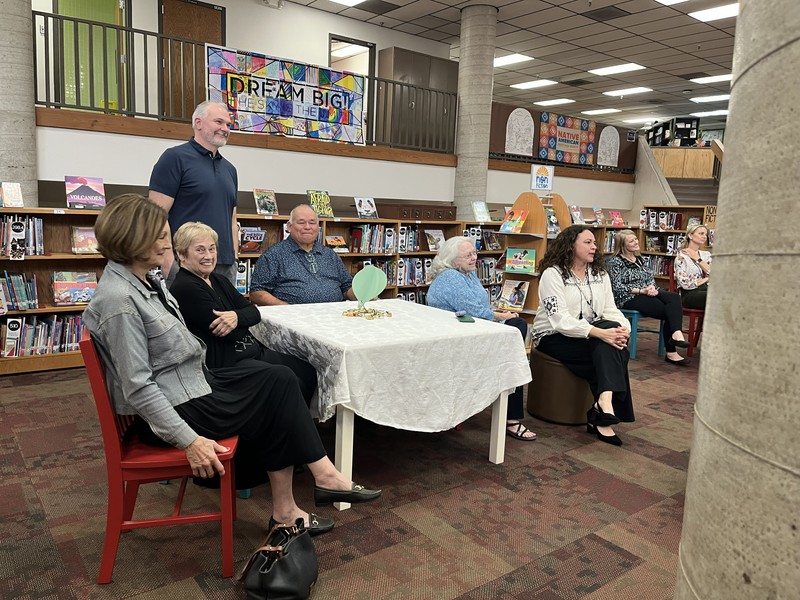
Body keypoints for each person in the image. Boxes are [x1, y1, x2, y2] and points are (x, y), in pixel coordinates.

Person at [83, 194, 381, 537]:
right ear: (134, 239)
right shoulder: (120, 301)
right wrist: (189, 441)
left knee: (281, 378)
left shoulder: (142, 282)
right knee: (277, 390)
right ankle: (307, 494)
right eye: (161, 236)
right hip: (180, 406)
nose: (167, 245)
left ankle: (313, 486)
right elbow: (137, 387)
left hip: (191, 385)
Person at [169, 222, 317, 404]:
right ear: (181, 254)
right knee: (287, 378)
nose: (208, 256)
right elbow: (229, 334)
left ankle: (299, 416)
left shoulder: (218, 279)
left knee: (308, 369)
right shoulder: (185, 287)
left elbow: (254, 313)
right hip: (227, 364)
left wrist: (237, 317)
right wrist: (243, 317)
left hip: (251, 352)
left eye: (212, 249)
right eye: (200, 250)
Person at [426, 236, 536, 441]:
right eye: (467, 255)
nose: (474, 258)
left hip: (472, 332)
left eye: (474, 253)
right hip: (460, 340)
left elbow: (481, 307)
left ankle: (510, 413)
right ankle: (511, 417)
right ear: (452, 259)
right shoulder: (450, 277)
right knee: (515, 342)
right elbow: (474, 311)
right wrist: (502, 316)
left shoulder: (467, 274)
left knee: (513, 345)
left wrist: (499, 314)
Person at [532, 225, 633, 446]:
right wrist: (601, 334)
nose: (594, 247)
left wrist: (623, 329)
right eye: (587, 242)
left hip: (590, 331)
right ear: (570, 245)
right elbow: (559, 319)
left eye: (594, 243)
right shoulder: (553, 274)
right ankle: (601, 411)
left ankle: (604, 402)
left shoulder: (599, 273)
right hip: (553, 335)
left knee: (612, 339)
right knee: (612, 347)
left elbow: (610, 309)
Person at [149, 101, 239, 285]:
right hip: (185, 264)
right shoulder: (174, 158)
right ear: (198, 123)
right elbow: (155, 214)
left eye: (228, 125)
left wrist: (235, 258)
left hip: (224, 266)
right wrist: (168, 260)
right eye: (219, 122)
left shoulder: (230, 169)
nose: (225, 129)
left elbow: (232, 220)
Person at [607, 229, 691, 366]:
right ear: (622, 245)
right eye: (631, 241)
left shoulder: (640, 259)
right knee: (669, 311)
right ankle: (671, 352)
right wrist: (641, 291)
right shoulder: (615, 262)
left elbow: (649, 277)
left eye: (635, 239)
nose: (636, 242)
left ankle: (676, 333)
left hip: (647, 291)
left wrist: (651, 287)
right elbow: (616, 286)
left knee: (674, 298)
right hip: (628, 296)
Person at [249, 204, 356, 305]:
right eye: (301, 222)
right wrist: (285, 307)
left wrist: (362, 294)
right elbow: (257, 292)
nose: (307, 227)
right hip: (293, 315)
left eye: (312, 223)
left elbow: (347, 287)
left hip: (334, 314)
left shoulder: (330, 254)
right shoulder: (273, 255)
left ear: (318, 227)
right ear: (289, 226)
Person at [674, 223, 711, 309]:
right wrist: (707, 279)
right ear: (690, 236)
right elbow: (685, 284)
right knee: (714, 296)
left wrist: (697, 258)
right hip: (689, 293)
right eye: (701, 233)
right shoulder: (681, 257)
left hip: (705, 289)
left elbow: (715, 273)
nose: (704, 236)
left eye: (705, 234)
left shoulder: (706, 255)